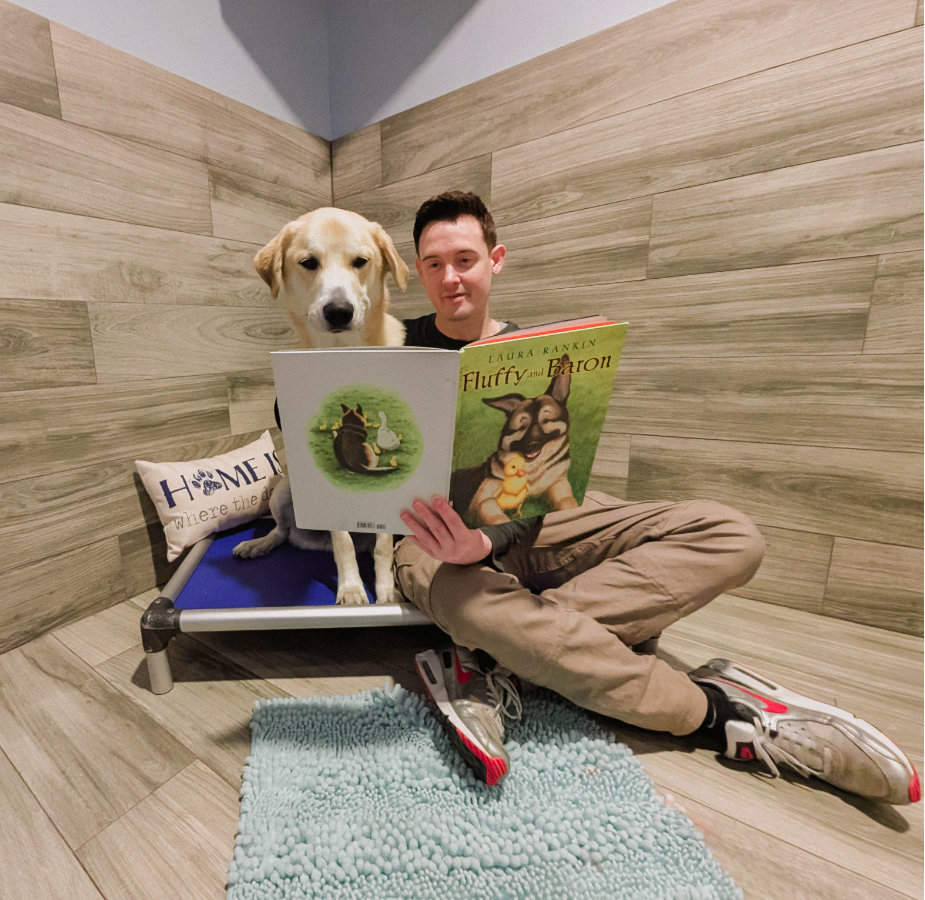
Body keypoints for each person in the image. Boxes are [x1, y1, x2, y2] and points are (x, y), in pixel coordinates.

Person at [393, 191, 920, 805]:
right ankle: (722, 714)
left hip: (532, 515)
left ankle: (499, 661)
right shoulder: (388, 340)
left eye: (464, 259)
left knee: (732, 535)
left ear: (496, 259)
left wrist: (491, 536)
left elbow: (546, 483)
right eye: (434, 264)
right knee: (462, 594)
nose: (450, 278)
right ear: (417, 271)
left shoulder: (532, 355)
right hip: (424, 534)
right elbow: (306, 416)